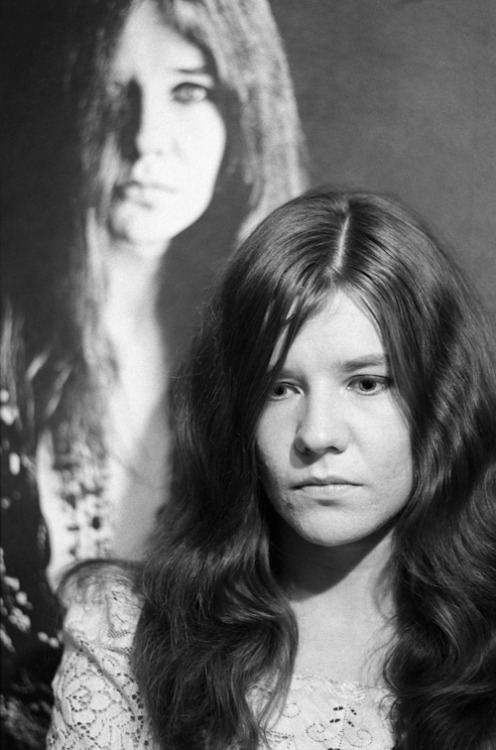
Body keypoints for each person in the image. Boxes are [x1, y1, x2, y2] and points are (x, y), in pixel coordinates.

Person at [46, 189, 496, 749]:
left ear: (443, 396)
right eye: (279, 389)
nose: (317, 435)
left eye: (366, 383)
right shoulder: (125, 631)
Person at [1, 0, 306, 744]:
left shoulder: (278, 359)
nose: (145, 141)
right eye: (111, 93)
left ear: (245, 114)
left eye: (190, 91)